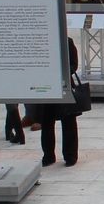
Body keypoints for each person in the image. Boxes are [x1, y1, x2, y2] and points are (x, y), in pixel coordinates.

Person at [31, 37, 88, 167]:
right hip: (46, 86)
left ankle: (70, 156)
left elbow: (73, 64)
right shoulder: (40, 41)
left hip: (64, 85)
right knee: (46, 123)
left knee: (68, 122)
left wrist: (59, 72)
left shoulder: (66, 41)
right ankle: (48, 155)